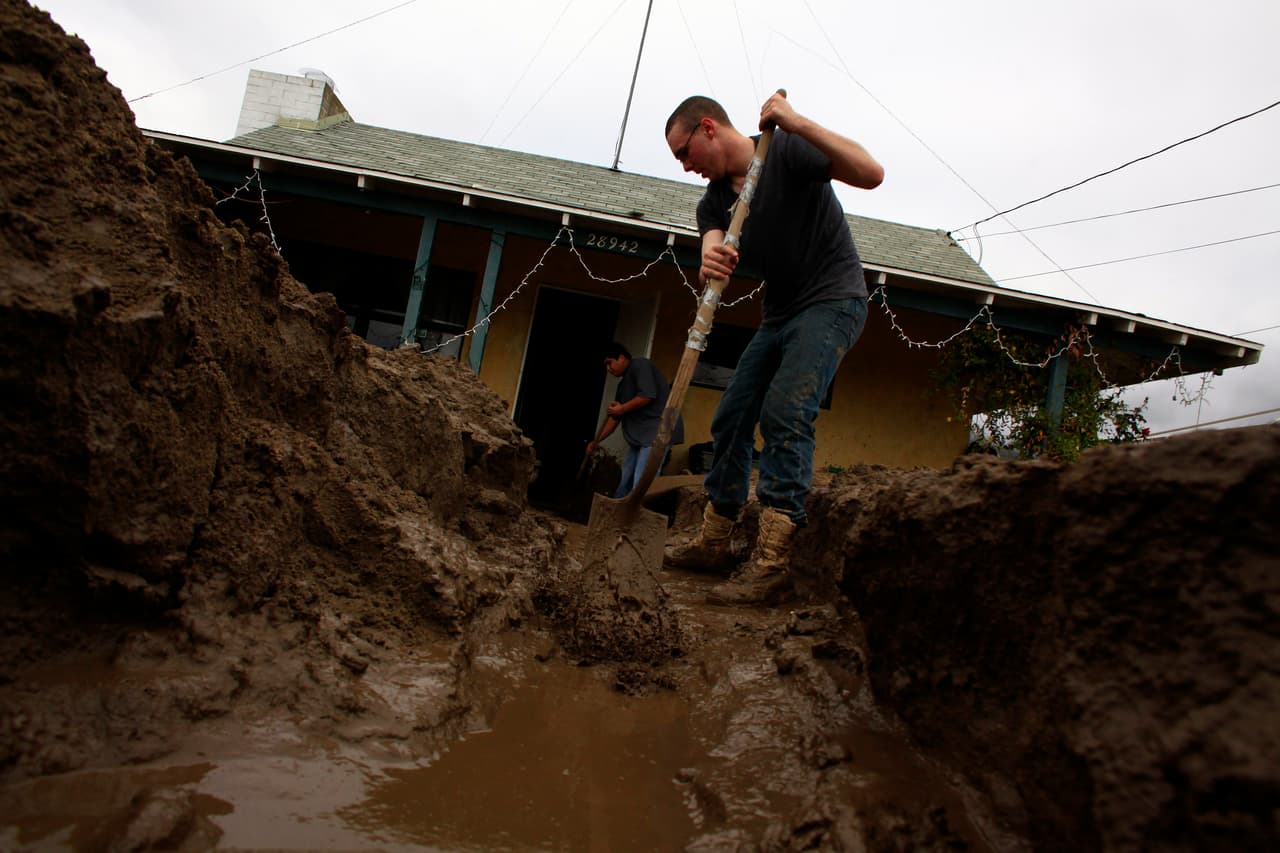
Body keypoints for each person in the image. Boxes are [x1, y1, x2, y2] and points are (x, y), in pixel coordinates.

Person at [662, 91, 884, 605]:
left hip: (832, 300)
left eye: (683, 152)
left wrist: (796, 121)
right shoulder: (714, 199)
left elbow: (871, 173)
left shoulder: (784, 152)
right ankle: (715, 540)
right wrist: (709, 260)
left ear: (709, 128)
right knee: (732, 414)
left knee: (785, 411)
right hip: (780, 312)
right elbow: (711, 243)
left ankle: (772, 561)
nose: (684, 165)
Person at [585, 342, 683, 498]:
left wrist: (622, 408)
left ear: (622, 358)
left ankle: (636, 516)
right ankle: (616, 514)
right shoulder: (623, 386)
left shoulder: (641, 365)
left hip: (656, 432)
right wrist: (596, 441)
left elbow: (647, 396)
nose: (608, 369)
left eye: (609, 363)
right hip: (639, 438)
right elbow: (615, 418)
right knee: (625, 478)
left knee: (641, 481)